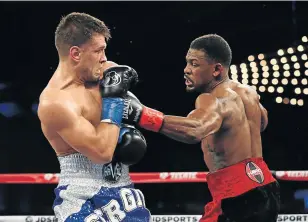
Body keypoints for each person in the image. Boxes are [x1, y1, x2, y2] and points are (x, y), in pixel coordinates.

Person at [121, 34, 280, 221]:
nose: (186, 70)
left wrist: (141, 115)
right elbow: (262, 123)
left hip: (237, 197)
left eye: (194, 64)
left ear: (216, 70)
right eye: (187, 63)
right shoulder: (248, 93)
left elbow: (195, 130)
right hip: (265, 185)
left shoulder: (212, 98)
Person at [38, 12, 150, 222]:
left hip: (124, 190)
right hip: (83, 198)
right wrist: (114, 98)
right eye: (98, 51)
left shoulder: (105, 73)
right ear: (76, 53)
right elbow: (102, 152)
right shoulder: (56, 102)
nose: (104, 58)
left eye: (104, 49)